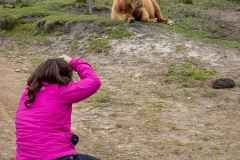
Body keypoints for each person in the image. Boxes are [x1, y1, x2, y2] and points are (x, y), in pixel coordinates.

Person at [15, 55, 101, 160]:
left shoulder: (28, 93)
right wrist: (74, 62)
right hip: (52, 156)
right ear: (64, 75)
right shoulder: (60, 91)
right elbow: (94, 81)